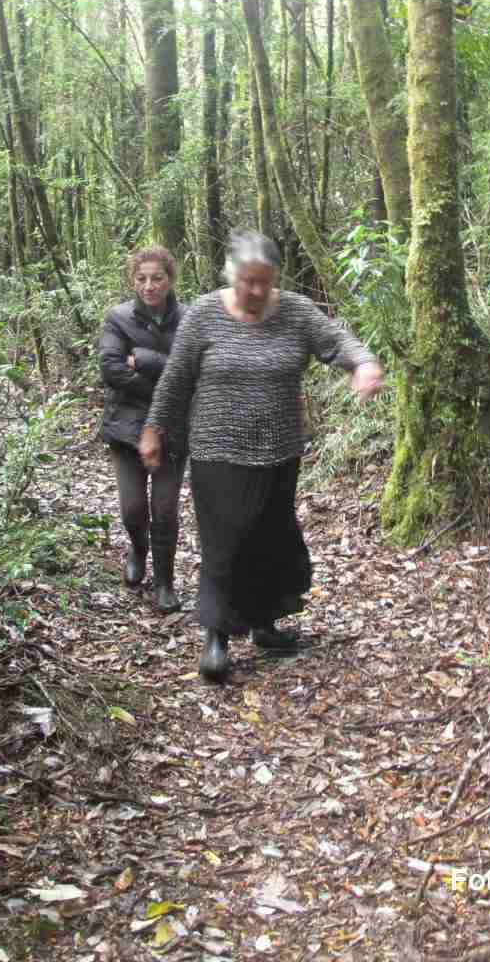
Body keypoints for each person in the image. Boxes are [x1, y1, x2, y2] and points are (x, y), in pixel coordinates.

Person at [138, 230, 385, 681]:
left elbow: (338, 341)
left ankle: (265, 624)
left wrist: (363, 364)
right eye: (247, 281)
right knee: (225, 541)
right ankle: (215, 636)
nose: (255, 291)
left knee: (270, 537)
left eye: (264, 283)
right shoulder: (205, 317)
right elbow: (175, 380)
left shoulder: (295, 311)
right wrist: (155, 428)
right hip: (218, 450)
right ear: (231, 275)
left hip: (279, 451)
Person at [99, 245, 186, 612]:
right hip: (126, 427)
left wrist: (148, 361)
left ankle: (165, 582)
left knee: (165, 510)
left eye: (157, 278)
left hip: (172, 430)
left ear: (169, 280)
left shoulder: (189, 319)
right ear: (133, 281)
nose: (149, 286)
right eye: (142, 279)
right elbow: (111, 369)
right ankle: (137, 549)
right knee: (133, 509)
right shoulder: (118, 319)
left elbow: (193, 371)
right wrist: (164, 386)